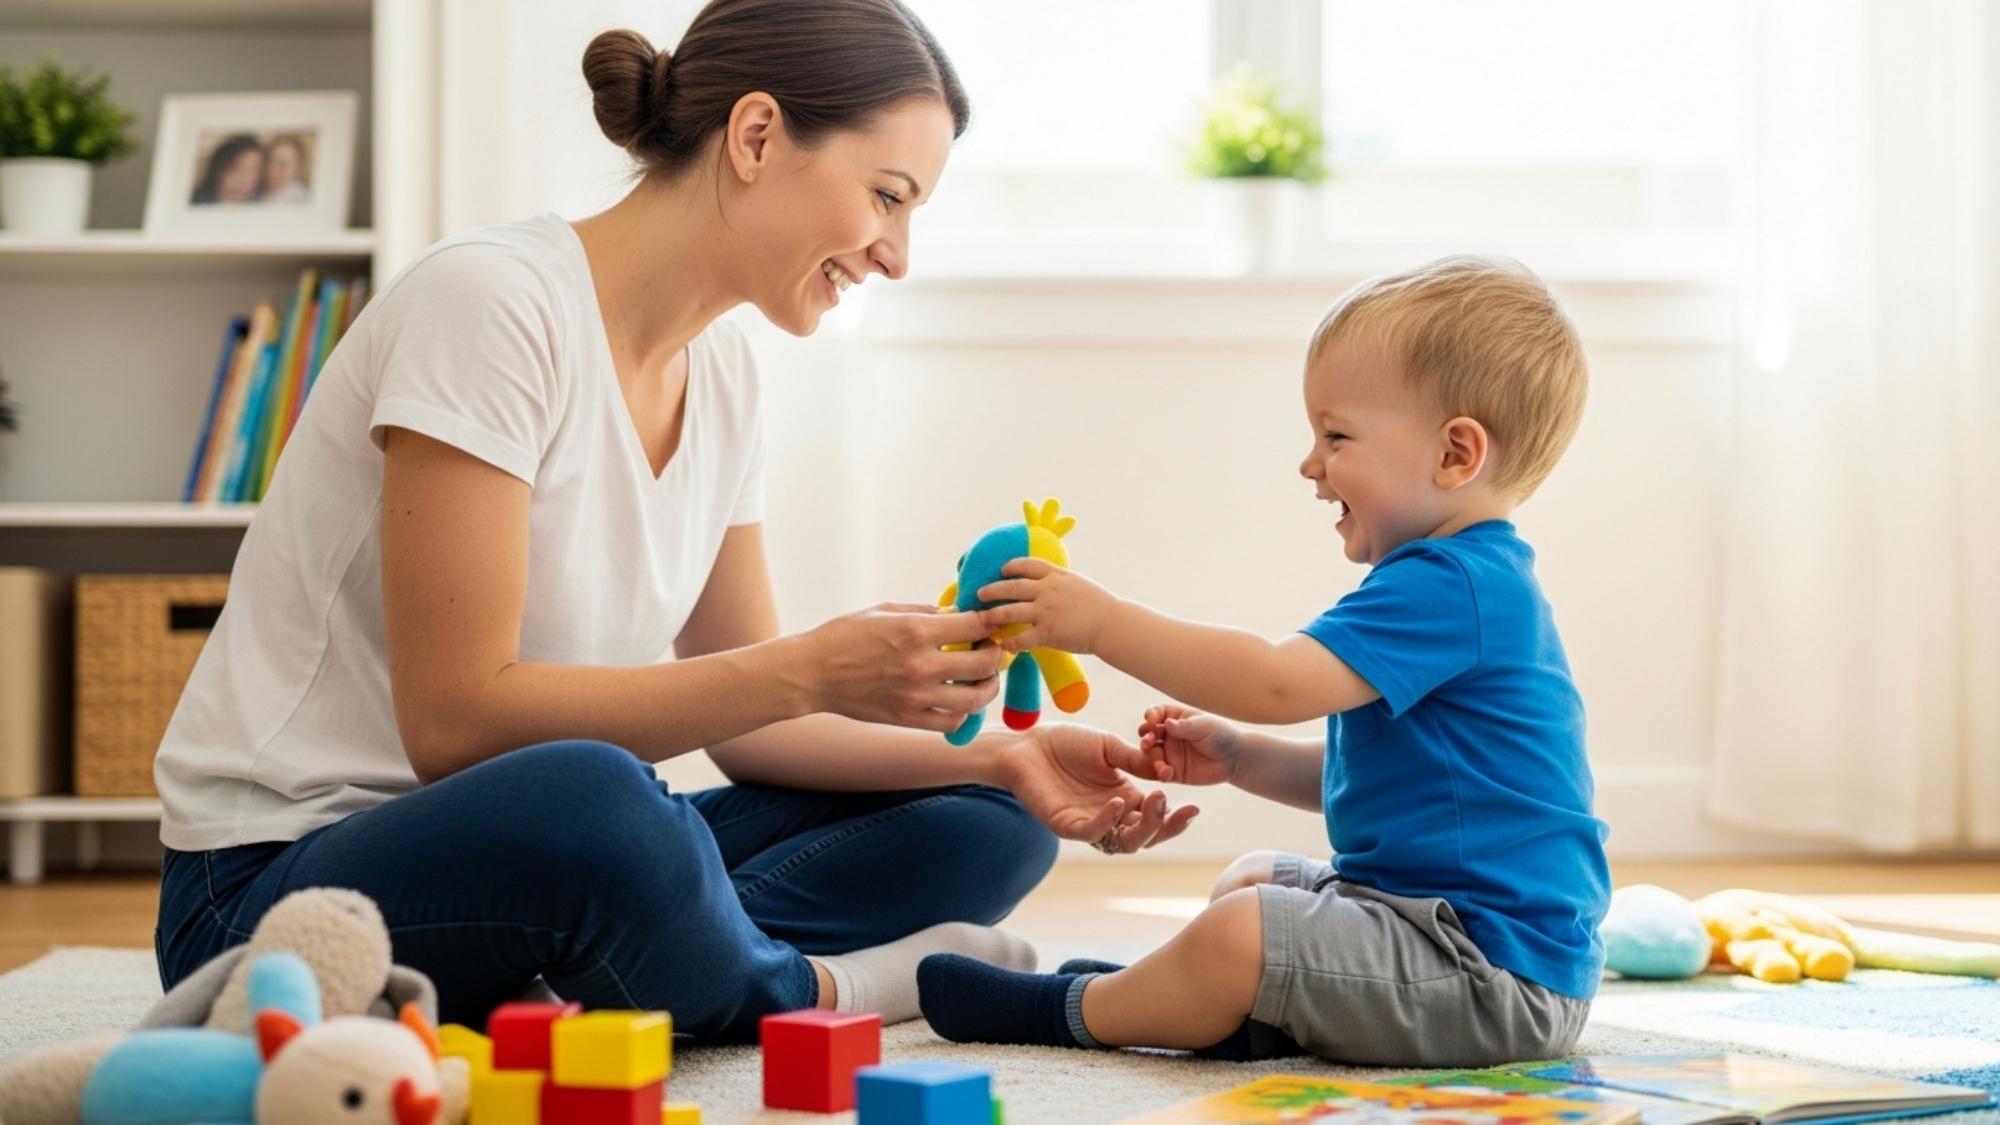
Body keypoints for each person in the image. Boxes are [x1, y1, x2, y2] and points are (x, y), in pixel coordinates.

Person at [152, 0, 1195, 1039]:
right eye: (886, 197)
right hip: (273, 900)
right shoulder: (491, 306)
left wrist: (994, 758)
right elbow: (454, 725)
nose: (895, 255)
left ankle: (634, 974)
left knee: (990, 820)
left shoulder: (726, 371)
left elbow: (754, 725)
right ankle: (820, 989)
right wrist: (814, 666)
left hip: (520, 872)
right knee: (601, 803)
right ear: (753, 136)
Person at [918, 256, 1612, 1066]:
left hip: (1490, 976)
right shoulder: (1459, 580)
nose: (1311, 464)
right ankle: (1197, 1005)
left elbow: (1274, 680)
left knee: (1246, 932)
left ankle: (1077, 1009)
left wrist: (1102, 623)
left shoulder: (1455, 583)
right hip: (1425, 925)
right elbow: (1394, 787)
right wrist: (1243, 757)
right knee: (1251, 883)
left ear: (1456, 453)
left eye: (1336, 436)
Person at [190, 134, 264, 205]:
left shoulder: (260, 202)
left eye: (253, 171)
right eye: (237, 169)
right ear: (219, 170)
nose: (245, 179)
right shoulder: (196, 201)